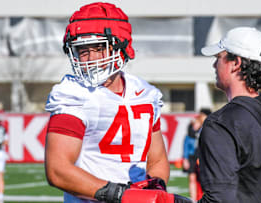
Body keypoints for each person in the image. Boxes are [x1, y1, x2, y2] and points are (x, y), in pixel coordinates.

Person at [44, 2, 171, 203]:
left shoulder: (145, 93)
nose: (90, 58)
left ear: (122, 47)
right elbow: (57, 170)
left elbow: (157, 159)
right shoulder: (73, 94)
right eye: (82, 51)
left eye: (99, 48)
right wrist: (121, 195)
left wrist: (156, 187)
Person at [197, 27, 261, 202]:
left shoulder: (222, 123)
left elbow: (220, 199)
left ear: (235, 63)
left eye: (218, 58)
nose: (214, 64)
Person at [182, 108, 210, 201]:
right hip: (193, 155)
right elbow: (187, 142)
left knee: (205, 179)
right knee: (192, 177)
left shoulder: (210, 126)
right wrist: (185, 158)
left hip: (203, 155)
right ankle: (193, 200)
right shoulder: (193, 126)